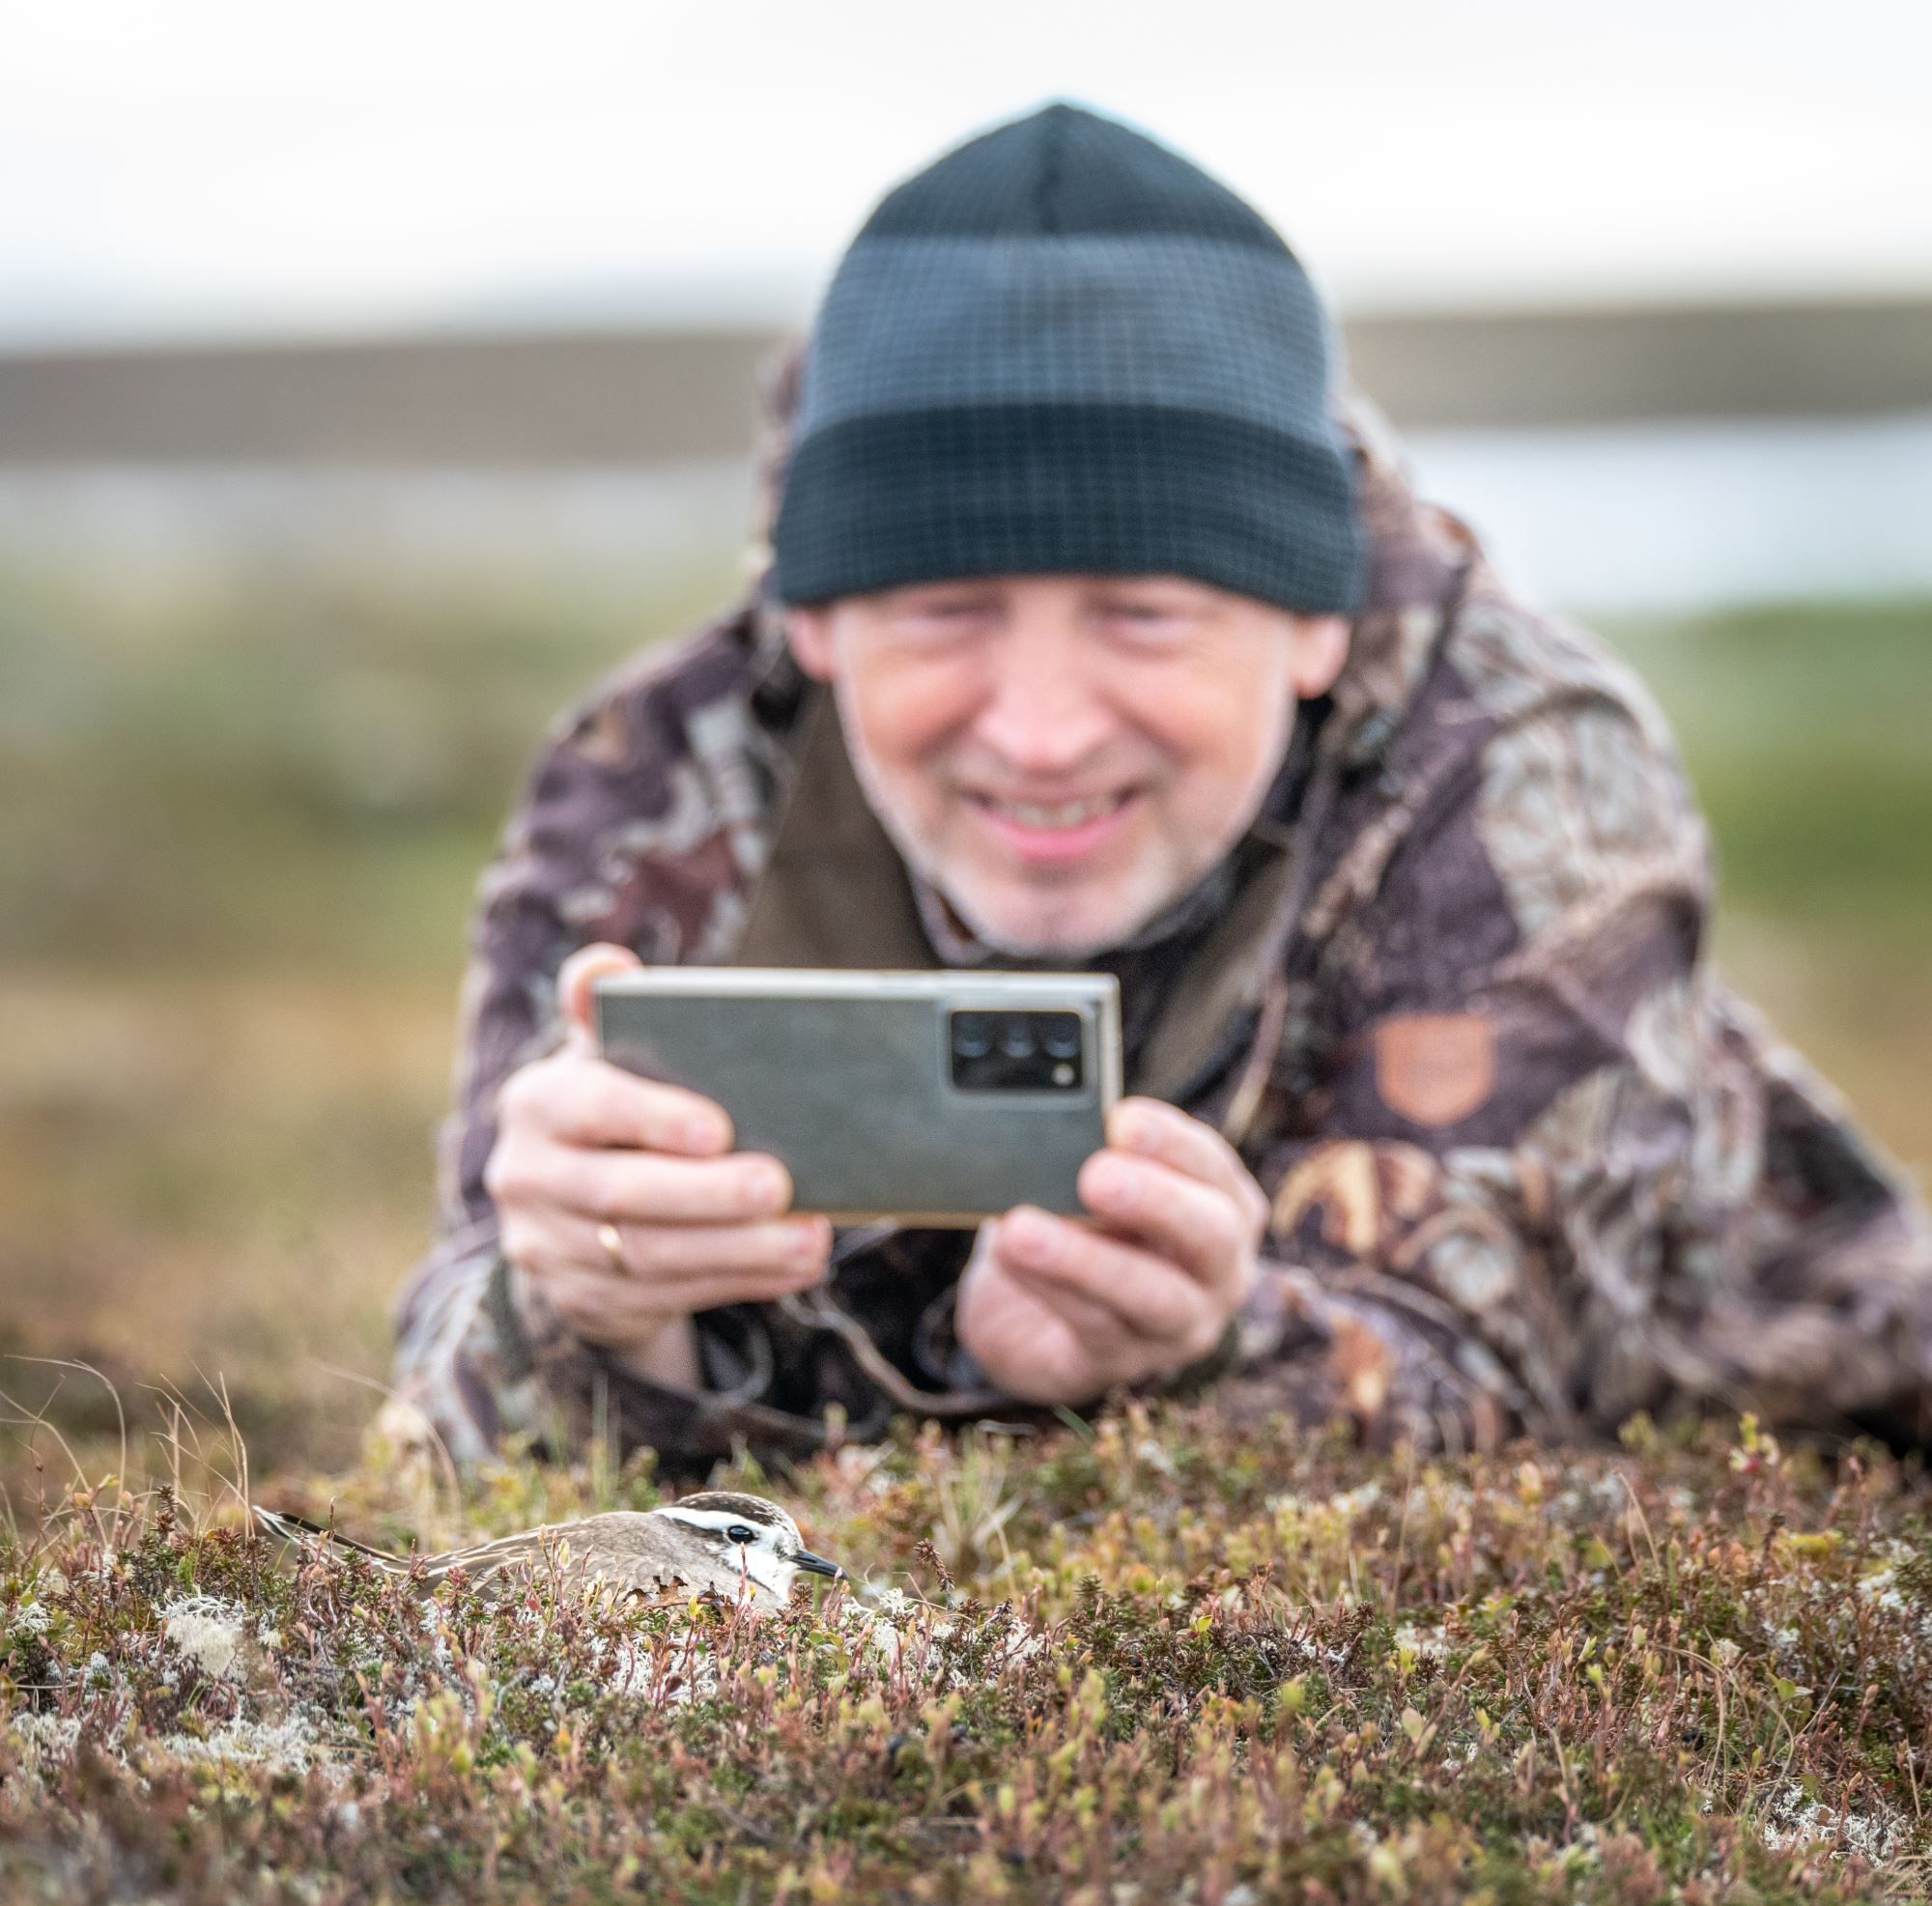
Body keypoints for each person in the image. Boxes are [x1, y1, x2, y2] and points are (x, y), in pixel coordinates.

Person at [390, 103, 1932, 1475]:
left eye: (1146, 614)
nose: (1046, 732)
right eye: (945, 611)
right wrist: (581, 1304)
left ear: (1314, 618)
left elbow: (1504, 1382)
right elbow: (452, 1374)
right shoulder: (655, 774)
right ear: (812, 615)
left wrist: (1212, 1348)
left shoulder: (1526, 763)